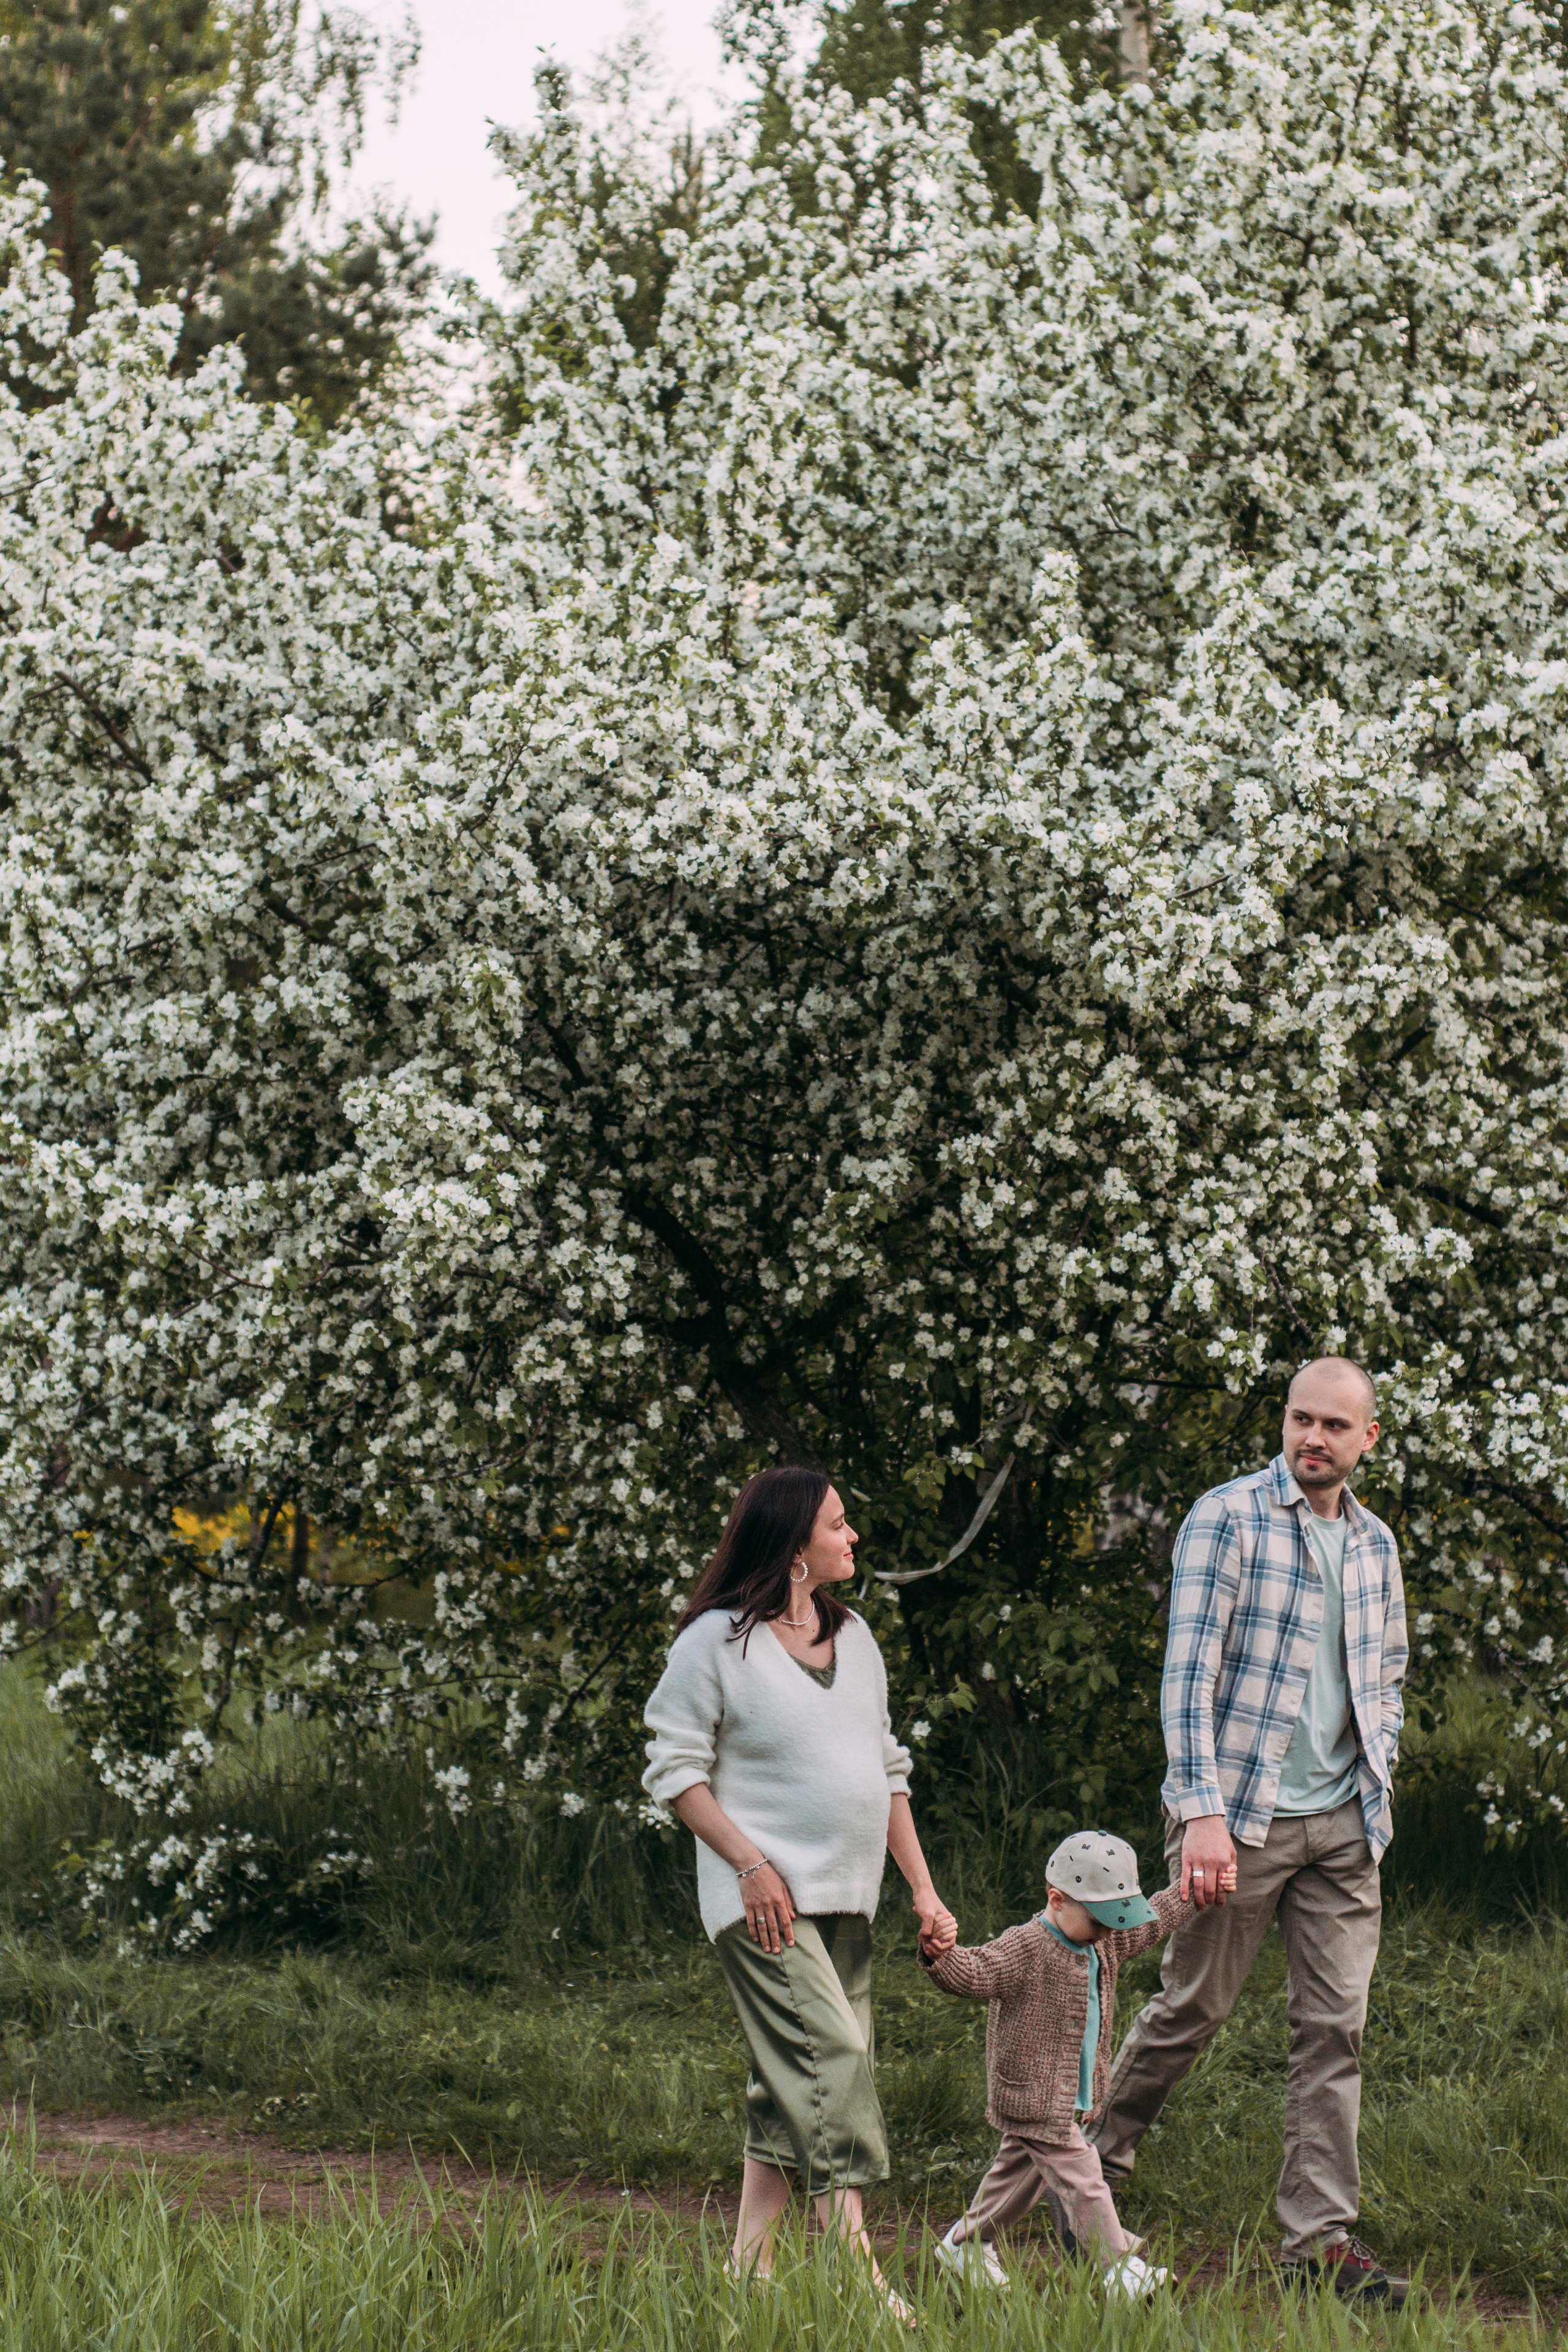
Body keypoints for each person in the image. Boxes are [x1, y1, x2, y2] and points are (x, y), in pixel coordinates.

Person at [1088, 1357, 1411, 2304]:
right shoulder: (1227, 1517)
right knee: (1193, 2008)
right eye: (1301, 1419)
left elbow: (1387, 1674)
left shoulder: (1375, 1544)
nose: (1313, 1438)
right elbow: (1187, 1677)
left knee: (1334, 2030)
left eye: (1335, 1426)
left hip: (1344, 1825)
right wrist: (1202, 1814)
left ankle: (1318, 2244)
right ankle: (1085, 2173)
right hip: (1240, 1820)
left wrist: (1377, 1775)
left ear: (1368, 1439)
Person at [642, 1466, 956, 2315]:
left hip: (847, 1897)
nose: (852, 1537)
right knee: (833, 2062)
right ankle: (857, 2273)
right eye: (838, 1525)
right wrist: (749, 1864)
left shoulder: (854, 1637)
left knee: (792, 2077)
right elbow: (675, 1772)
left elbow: (887, 1770)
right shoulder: (714, 1643)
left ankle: (748, 2266)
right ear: (792, 1547)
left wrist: (923, 1891)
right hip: (761, 1902)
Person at [918, 1829, 1221, 2297]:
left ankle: (965, 2245)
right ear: (1057, 1900)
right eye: (1100, 1921)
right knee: (1084, 2177)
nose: (1109, 1932)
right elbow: (976, 1973)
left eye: (1115, 1921)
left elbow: (1154, 1921)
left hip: (1072, 2096)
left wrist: (1195, 1890)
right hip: (1034, 2094)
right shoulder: (1025, 1947)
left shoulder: (1103, 1941)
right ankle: (1119, 2269)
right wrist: (940, 1955)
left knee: (1017, 2177)